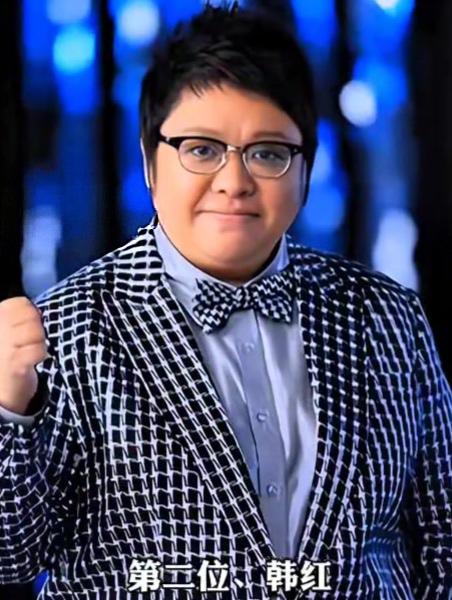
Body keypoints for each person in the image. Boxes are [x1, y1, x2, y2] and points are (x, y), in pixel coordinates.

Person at [0, 2, 451, 599]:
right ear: (150, 161)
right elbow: (11, 555)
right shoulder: (67, 325)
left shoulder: (387, 317)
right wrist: (10, 412)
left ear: (306, 169)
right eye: (202, 149)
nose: (234, 182)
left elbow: (441, 532)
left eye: (268, 153)